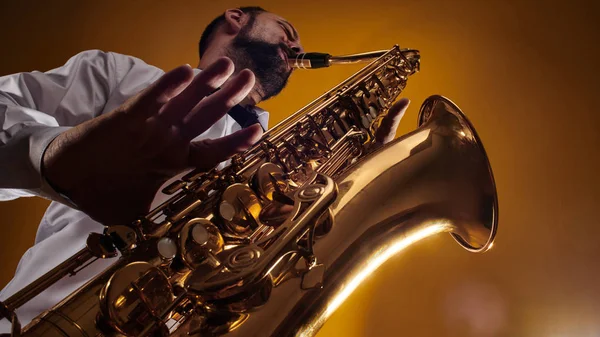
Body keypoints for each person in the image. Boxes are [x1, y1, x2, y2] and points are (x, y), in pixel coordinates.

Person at [0, 6, 410, 331]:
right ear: (236, 18)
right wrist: (47, 154)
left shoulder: (287, 167)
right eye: (285, 29)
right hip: (46, 317)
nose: (297, 44)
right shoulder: (122, 77)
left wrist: (350, 178)